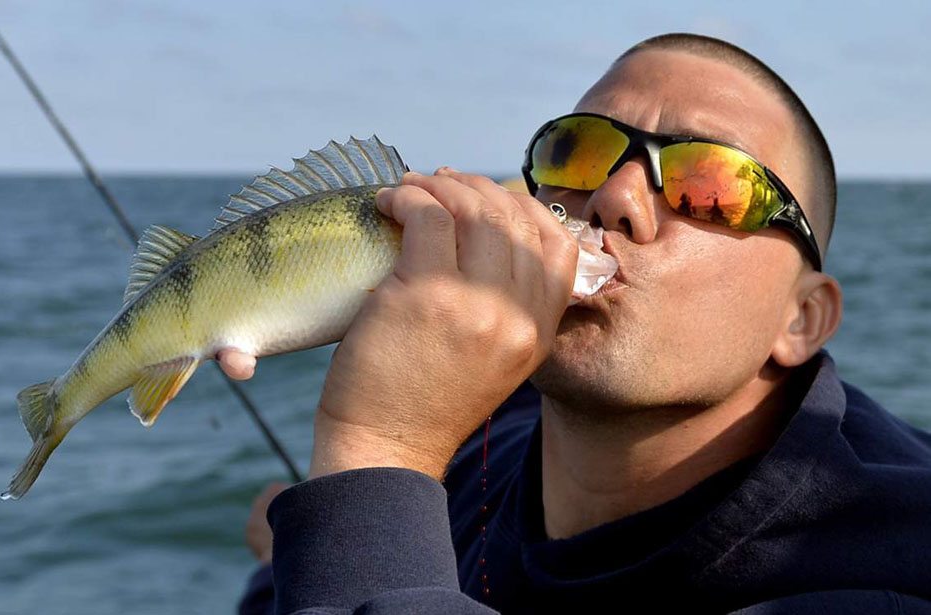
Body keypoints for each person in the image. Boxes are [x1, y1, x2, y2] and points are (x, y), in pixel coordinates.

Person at [231, 33, 931, 614]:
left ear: (802, 319)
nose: (613, 196)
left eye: (708, 185)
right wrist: (291, 553)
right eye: (576, 151)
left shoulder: (887, 575)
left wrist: (377, 449)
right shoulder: (477, 427)